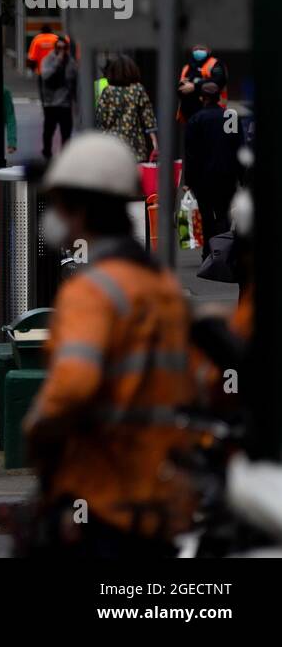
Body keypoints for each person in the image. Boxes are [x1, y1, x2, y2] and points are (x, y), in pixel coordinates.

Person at [24, 132, 197, 557]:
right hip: (162, 508)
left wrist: (35, 431)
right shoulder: (164, 287)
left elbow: (73, 385)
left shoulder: (91, 291)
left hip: (103, 507)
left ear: (79, 209)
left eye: (61, 203)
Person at [183, 81, 242, 258]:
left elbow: (191, 154)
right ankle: (224, 250)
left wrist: (189, 181)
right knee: (224, 214)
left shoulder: (196, 119)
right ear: (218, 97)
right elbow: (237, 147)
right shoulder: (229, 117)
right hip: (227, 175)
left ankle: (209, 253)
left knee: (207, 215)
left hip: (204, 178)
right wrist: (242, 176)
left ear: (202, 98)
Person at [95, 55, 158, 162]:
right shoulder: (138, 89)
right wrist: (154, 142)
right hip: (134, 145)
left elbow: (101, 119)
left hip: (112, 144)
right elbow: (148, 117)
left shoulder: (108, 91)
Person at [38, 35, 77, 160]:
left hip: (65, 103)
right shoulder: (48, 60)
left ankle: (66, 156)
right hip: (51, 103)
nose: (61, 50)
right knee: (48, 131)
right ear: (55, 48)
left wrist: (75, 101)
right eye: (59, 47)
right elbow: (45, 76)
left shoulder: (71, 62)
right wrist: (57, 62)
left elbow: (74, 81)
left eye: (64, 48)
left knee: (66, 132)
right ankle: (47, 154)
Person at [178, 43, 227, 122]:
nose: (198, 51)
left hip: (211, 111)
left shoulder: (215, 64)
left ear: (208, 51)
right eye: (196, 49)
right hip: (190, 114)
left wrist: (195, 86)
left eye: (201, 49)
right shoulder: (187, 67)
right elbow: (180, 86)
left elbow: (218, 80)